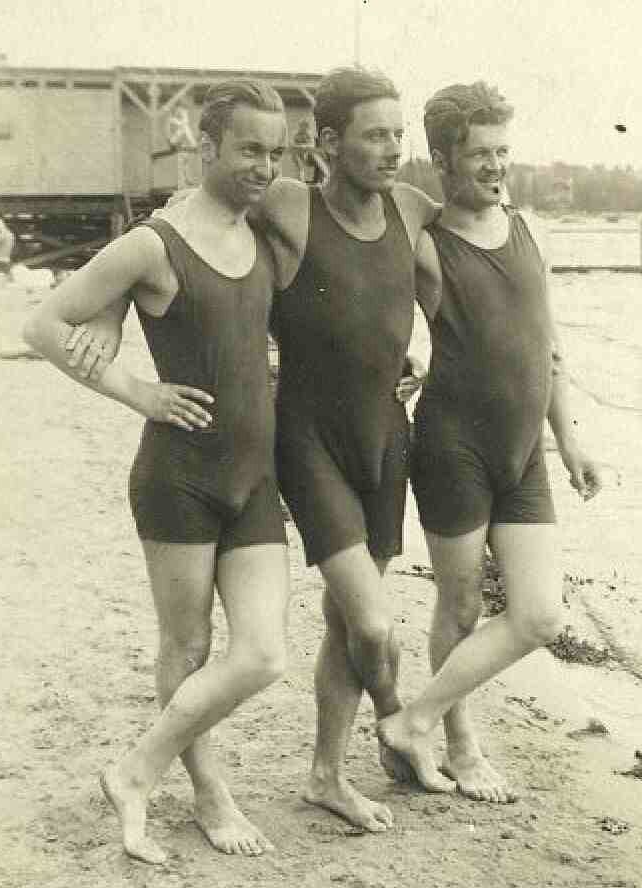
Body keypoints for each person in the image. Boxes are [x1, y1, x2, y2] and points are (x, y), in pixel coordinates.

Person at [66, 66, 450, 832]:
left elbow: (452, 278)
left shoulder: (411, 206)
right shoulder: (285, 203)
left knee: (332, 629)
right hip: (299, 443)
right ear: (330, 144)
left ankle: (328, 773)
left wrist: (427, 361)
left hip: (376, 439)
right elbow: (187, 219)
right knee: (364, 625)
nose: (392, 149)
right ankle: (398, 722)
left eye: (398, 135)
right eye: (376, 134)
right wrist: (112, 322)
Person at [24, 78, 291, 863]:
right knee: (187, 648)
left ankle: (136, 771)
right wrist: (140, 392)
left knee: (264, 653)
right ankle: (210, 795)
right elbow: (44, 324)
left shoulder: (264, 227)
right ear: (203, 148)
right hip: (178, 477)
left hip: (257, 477)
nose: (263, 167)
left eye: (274, 153)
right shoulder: (155, 242)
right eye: (248, 149)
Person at [378, 81, 602, 803]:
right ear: (442, 159)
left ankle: (413, 720)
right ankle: (461, 745)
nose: (497, 166)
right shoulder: (428, 244)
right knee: (461, 604)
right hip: (453, 447)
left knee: (539, 614)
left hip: (524, 452)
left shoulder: (528, 228)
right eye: (480, 155)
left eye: (504, 150)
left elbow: (548, 346)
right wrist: (393, 367)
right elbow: (357, 305)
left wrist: (568, 438)